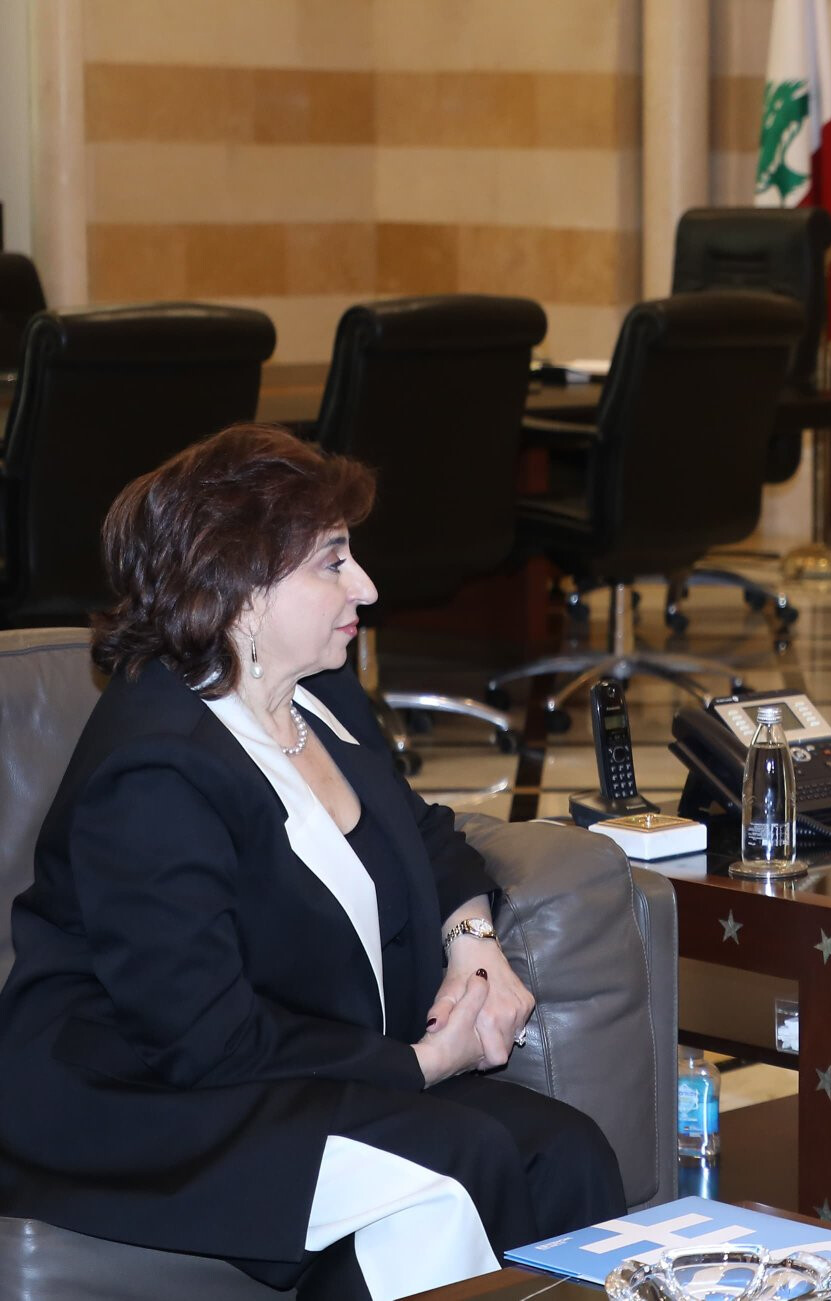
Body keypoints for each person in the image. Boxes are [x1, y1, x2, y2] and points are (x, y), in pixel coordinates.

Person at [0, 425, 625, 1300]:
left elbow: (427, 831)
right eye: (333, 561)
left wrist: (473, 943)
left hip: (300, 1063)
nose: (365, 585)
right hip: (149, 1099)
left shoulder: (317, 693)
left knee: (568, 1151)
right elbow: (204, 1039)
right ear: (241, 589)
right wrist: (423, 1064)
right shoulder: (153, 769)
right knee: (459, 1162)